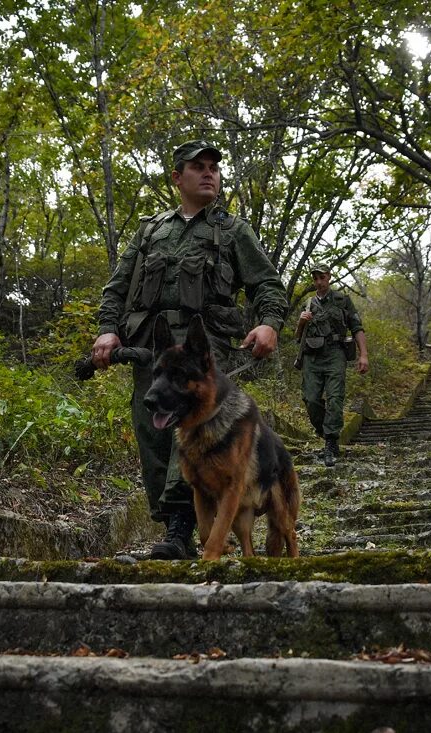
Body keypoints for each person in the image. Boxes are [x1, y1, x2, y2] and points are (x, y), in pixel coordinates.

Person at [89, 140, 288, 560]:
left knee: (200, 435)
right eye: (198, 167)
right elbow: (117, 287)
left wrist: (269, 322)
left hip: (204, 349)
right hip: (154, 350)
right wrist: (108, 331)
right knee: (154, 432)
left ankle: (184, 529)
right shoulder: (149, 230)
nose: (209, 173)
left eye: (214, 167)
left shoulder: (232, 230)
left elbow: (267, 284)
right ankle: (176, 525)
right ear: (178, 177)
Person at [294, 262, 368, 466]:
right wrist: (301, 321)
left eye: (322, 277)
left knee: (335, 397)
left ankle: (331, 442)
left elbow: (357, 328)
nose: (319, 282)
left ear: (329, 277)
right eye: (315, 278)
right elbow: (297, 337)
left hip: (335, 353)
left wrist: (364, 355)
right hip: (312, 356)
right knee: (310, 399)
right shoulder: (308, 303)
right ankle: (326, 432)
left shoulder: (342, 300)